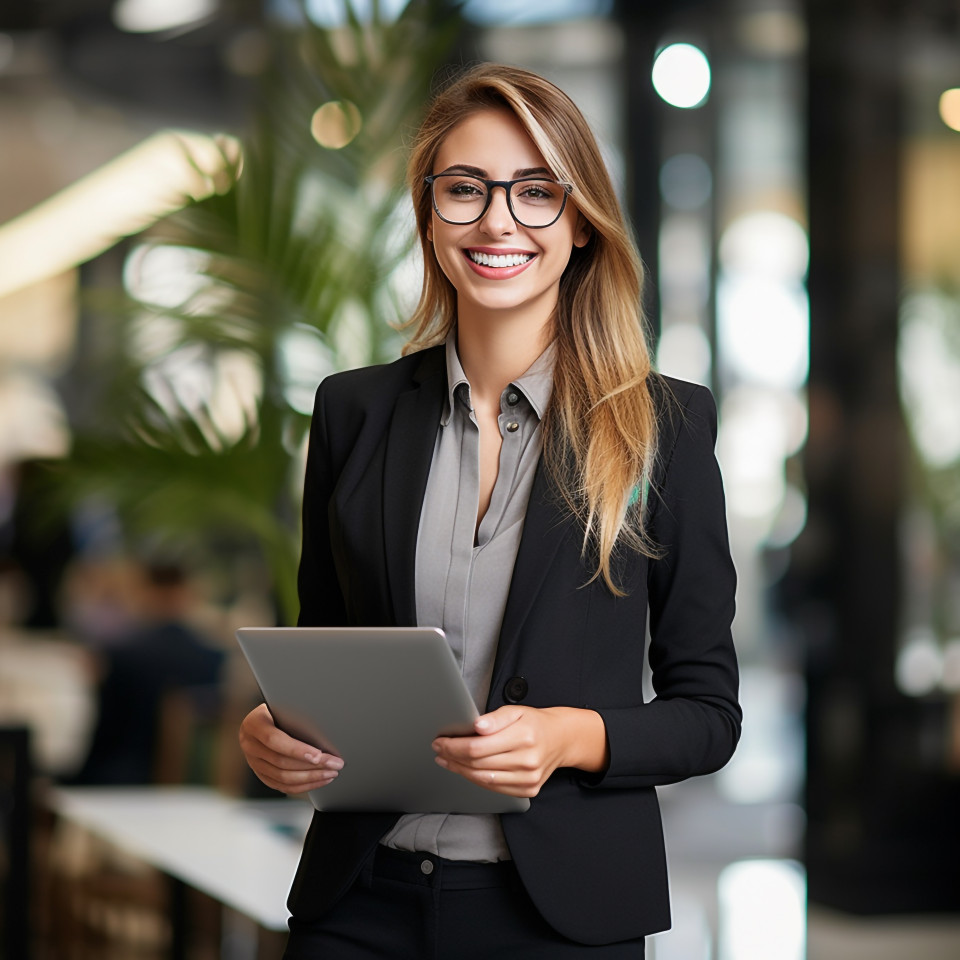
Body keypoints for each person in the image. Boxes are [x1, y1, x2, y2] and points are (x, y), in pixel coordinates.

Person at [239, 63, 740, 958]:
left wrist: (568, 737)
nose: (497, 219)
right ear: (430, 217)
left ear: (580, 222)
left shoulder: (664, 426)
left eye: (535, 191)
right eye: (464, 190)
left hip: (558, 919)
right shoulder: (354, 412)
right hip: (359, 906)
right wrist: (274, 731)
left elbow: (708, 714)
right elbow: (323, 650)